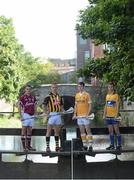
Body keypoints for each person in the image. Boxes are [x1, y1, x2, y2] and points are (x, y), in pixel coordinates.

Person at [42, 83, 63, 152]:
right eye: (53, 87)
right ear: (51, 88)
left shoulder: (59, 97)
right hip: (51, 115)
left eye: (55, 87)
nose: (54, 88)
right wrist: (46, 113)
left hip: (58, 115)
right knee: (48, 131)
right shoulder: (48, 97)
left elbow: (61, 106)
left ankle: (57, 147)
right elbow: (43, 106)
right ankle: (47, 147)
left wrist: (62, 111)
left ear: (57, 88)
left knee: (57, 132)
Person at [73, 82, 93, 151]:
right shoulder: (76, 95)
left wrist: (88, 113)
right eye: (78, 86)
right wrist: (74, 114)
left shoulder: (87, 95)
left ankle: (90, 146)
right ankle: (85, 145)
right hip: (79, 116)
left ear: (83, 87)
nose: (80, 88)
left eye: (81, 86)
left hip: (85, 116)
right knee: (82, 132)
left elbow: (90, 105)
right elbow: (75, 106)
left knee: (88, 131)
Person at [103, 82, 122, 150]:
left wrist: (116, 115)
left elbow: (117, 105)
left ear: (113, 87)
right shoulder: (107, 95)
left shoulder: (116, 95)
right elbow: (106, 105)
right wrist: (104, 114)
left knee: (116, 130)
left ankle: (119, 145)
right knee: (110, 131)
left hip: (114, 116)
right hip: (108, 116)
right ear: (108, 88)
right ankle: (112, 145)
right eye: (109, 87)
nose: (110, 88)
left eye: (111, 87)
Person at [18, 85, 37, 151]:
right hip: (25, 115)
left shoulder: (33, 97)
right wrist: (21, 116)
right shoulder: (22, 98)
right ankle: (24, 147)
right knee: (23, 131)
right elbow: (19, 108)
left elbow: (35, 106)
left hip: (32, 115)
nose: (28, 90)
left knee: (29, 131)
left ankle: (28, 146)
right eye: (27, 89)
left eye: (29, 89)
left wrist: (35, 114)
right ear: (25, 90)